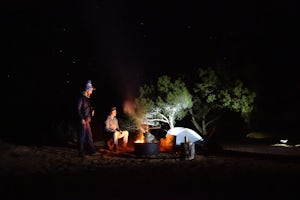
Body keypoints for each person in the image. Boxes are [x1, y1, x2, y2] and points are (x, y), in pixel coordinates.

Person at [76, 80, 100, 158]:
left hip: (87, 120)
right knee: (81, 136)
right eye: (91, 90)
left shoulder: (86, 99)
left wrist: (91, 112)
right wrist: (81, 118)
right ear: (87, 90)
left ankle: (92, 150)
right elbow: (77, 109)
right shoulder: (81, 98)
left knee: (89, 136)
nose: (92, 91)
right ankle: (81, 153)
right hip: (82, 121)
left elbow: (86, 109)